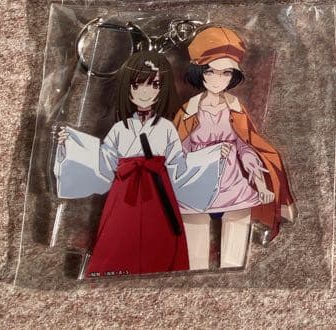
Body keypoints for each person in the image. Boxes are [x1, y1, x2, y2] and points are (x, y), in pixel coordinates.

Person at [53, 52, 226, 277]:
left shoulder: (166, 127)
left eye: (154, 85)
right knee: (119, 237)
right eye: (137, 85)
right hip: (124, 194)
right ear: (127, 88)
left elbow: (179, 166)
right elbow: (103, 164)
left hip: (158, 194)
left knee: (160, 241)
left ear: (162, 88)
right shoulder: (120, 129)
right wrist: (71, 143)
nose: (145, 92)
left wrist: (211, 156)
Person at [173, 26, 294, 269]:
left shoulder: (235, 109)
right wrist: (202, 156)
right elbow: (176, 152)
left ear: (233, 76)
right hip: (195, 181)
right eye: (211, 72)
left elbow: (247, 146)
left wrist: (261, 184)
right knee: (195, 255)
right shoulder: (188, 111)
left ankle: (232, 273)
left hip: (233, 181)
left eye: (226, 73)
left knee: (235, 253)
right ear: (199, 72)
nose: (218, 79)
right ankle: (196, 275)